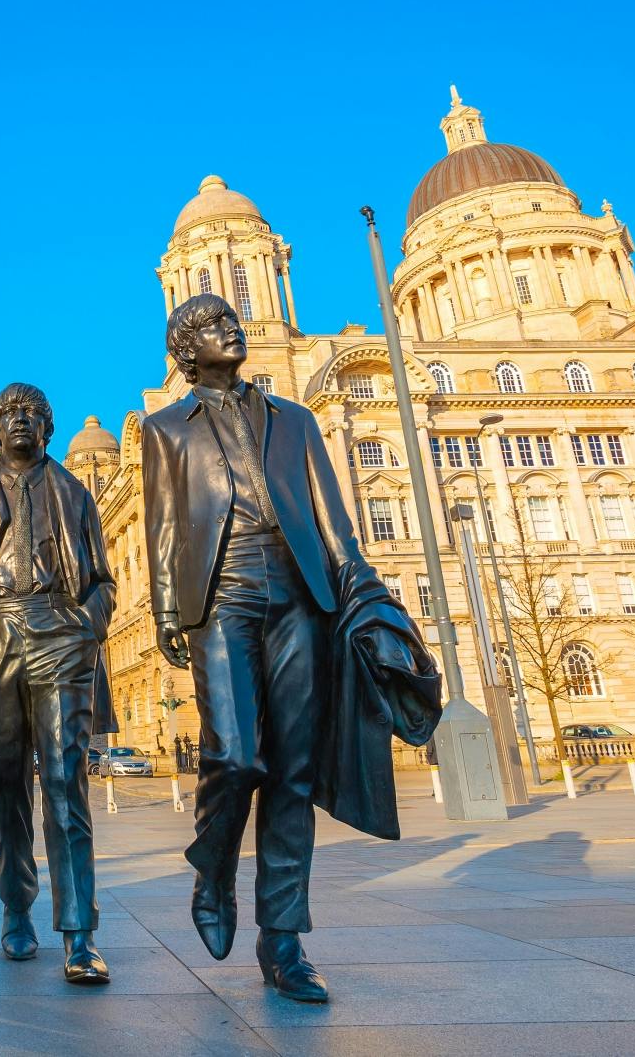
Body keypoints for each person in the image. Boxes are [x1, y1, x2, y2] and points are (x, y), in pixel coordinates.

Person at [142, 294, 439, 1005]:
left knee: (293, 773)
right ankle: (212, 863)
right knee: (237, 753)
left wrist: (363, 593)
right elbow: (162, 524)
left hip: (301, 593)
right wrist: (165, 609)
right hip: (221, 591)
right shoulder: (164, 428)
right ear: (186, 349)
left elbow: (334, 521)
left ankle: (283, 938)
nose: (231, 326)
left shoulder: (295, 420)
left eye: (230, 319)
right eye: (212, 324)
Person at [0, 383, 118, 985]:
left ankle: (80, 932)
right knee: (6, 782)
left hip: (61, 636)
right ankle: (17, 909)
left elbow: (102, 581)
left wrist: (85, 626)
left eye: (32, 414)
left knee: (68, 783)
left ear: (49, 427)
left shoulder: (74, 493)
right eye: (9, 414)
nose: (20, 421)